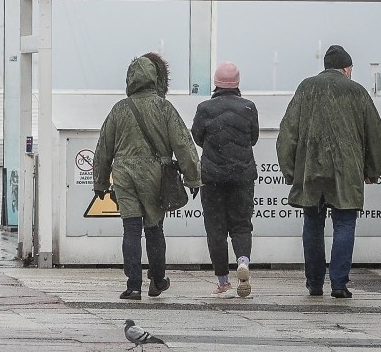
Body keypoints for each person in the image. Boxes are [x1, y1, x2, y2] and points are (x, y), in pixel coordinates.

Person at [277, 44, 381, 299]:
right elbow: (376, 136)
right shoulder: (357, 92)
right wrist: (372, 170)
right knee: (345, 225)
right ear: (347, 69)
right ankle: (339, 284)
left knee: (313, 224)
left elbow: (287, 133)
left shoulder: (306, 88)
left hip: (311, 169)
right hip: (347, 171)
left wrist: (290, 171)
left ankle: (314, 283)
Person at [93, 53, 201, 301]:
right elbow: (183, 144)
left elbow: (103, 149)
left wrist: (100, 182)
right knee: (154, 228)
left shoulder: (119, 109)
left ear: (130, 79)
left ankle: (132, 286)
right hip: (155, 174)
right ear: (154, 78)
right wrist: (193, 177)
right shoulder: (163, 107)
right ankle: (157, 279)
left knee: (130, 229)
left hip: (123, 175)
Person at [191, 61, 259, 297]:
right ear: (237, 84)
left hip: (213, 178)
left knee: (216, 230)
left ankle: (222, 280)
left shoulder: (204, 108)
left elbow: (197, 137)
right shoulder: (249, 107)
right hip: (242, 176)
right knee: (241, 225)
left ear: (216, 83)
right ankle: (243, 261)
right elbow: (253, 138)